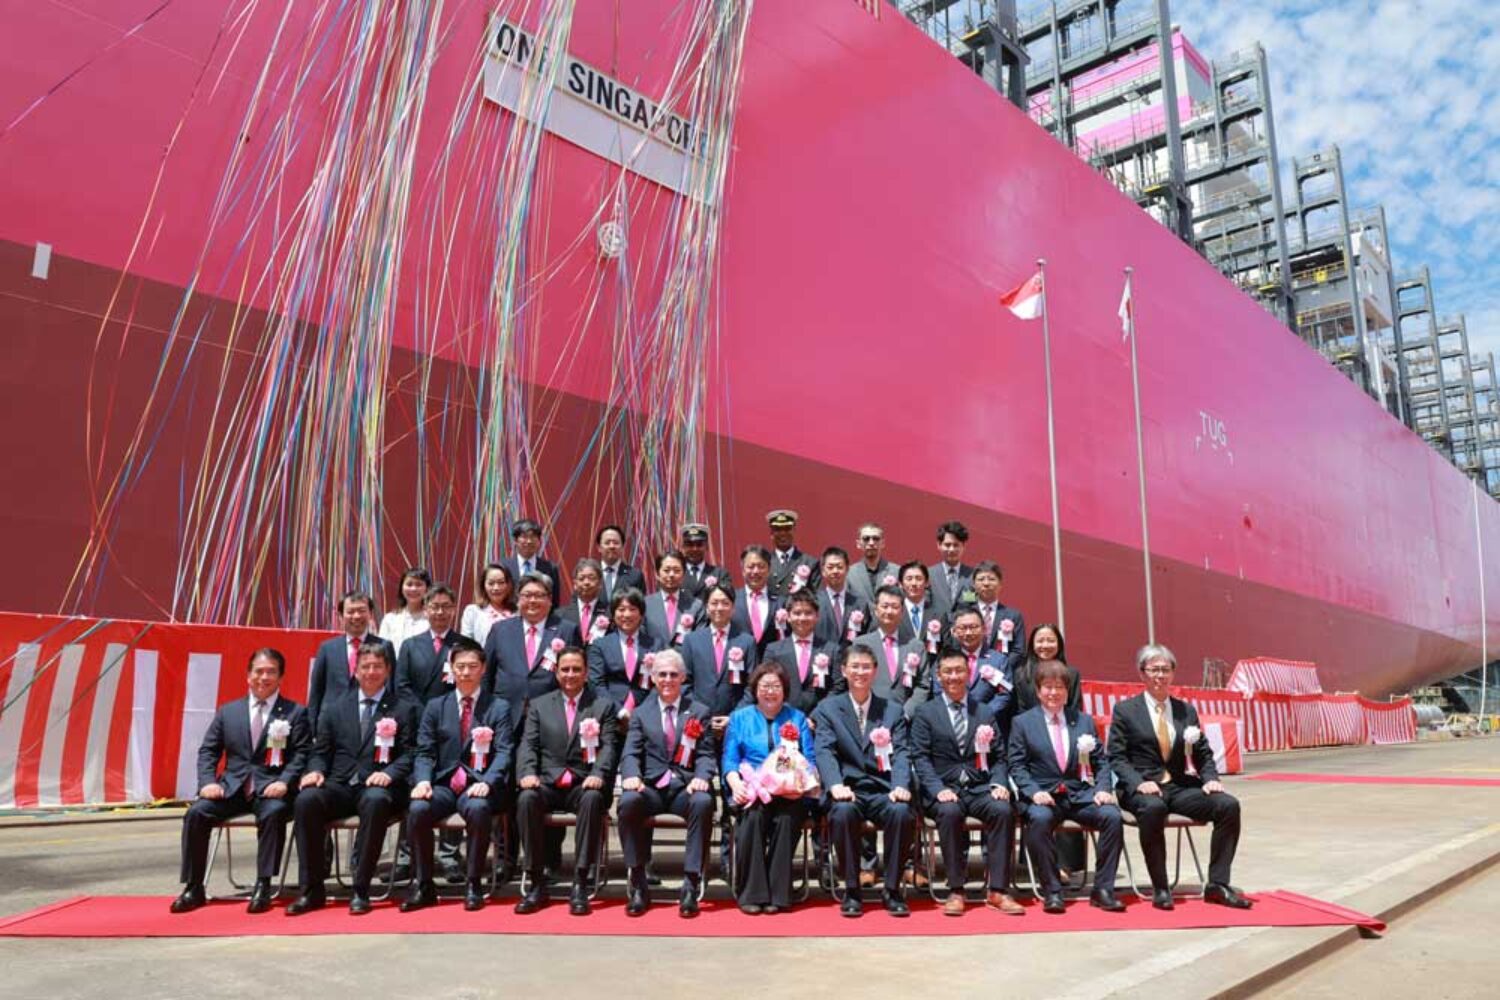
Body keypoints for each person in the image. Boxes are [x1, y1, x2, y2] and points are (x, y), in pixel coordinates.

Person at [1108, 643, 1251, 911]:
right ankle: (1161, 888)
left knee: (1228, 806)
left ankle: (1217, 884)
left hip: (1178, 786)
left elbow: (1203, 752)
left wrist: (1209, 777)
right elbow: (1116, 757)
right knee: (1153, 808)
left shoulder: (1186, 711)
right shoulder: (1125, 711)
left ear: (1173, 673)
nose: (1160, 676)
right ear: (1142, 674)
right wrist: (1139, 782)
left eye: (1165, 669)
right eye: (1154, 670)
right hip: (1140, 788)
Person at [171, 648, 309, 915]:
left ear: (280, 677)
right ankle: (193, 886)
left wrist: (285, 781)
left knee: (275, 812)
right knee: (196, 813)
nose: (263, 677)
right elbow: (208, 750)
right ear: (248, 676)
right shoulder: (228, 712)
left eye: (271, 672)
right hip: (232, 788)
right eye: (258, 671)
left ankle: (263, 884)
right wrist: (207, 782)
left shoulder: (295, 713)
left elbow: (302, 753)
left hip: (270, 788)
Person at [289, 643, 420, 915]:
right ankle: (311, 889)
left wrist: (389, 773)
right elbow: (320, 751)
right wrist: (314, 770)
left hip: (379, 785)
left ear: (387, 670)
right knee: (307, 800)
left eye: (377, 666)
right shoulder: (335, 707)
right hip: (339, 784)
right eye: (365, 667)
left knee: (375, 801)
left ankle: (361, 888)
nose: (371, 672)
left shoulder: (403, 709)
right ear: (356, 671)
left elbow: (410, 755)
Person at [401, 638, 513, 913]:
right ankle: (424, 883)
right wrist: (424, 780)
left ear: (483, 669)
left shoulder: (498, 707)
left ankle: (474, 882)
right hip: (443, 784)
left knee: (477, 808)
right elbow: (424, 751)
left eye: (472, 666)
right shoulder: (435, 706)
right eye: (460, 666)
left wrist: (488, 782)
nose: (465, 672)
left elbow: (504, 752)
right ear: (450, 668)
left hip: (478, 784)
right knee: (417, 808)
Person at [910, 646, 1023, 916]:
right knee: (949, 813)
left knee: (1003, 810)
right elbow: (920, 758)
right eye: (947, 671)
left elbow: (999, 756)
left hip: (979, 786)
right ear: (938, 676)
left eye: (959, 670)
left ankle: (997, 889)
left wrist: (998, 784)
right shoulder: (925, 713)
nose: (953, 676)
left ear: (968, 673)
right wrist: (937, 790)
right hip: (944, 789)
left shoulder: (984, 712)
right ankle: (956, 889)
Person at [1007, 661, 1126, 914]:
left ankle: (1103, 889)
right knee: (1038, 821)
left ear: (1067, 691)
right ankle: (1052, 890)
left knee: (1112, 817)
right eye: (1047, 687)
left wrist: (1103, 788)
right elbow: (1016, 766)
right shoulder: (1022, 723)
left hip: (1080, 794)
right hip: (1043, 795)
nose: (1053, 693)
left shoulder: (1083, 721)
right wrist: (1032, 791)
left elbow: (1101, 761)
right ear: (1038, 691)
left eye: (1059, 687)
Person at [513, 648, 620, 916]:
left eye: (576, 669)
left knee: (594, 800)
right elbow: (528, 745)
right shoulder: (539, 705)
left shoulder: (602, 705)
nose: (570, 675)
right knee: (526, 799)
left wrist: (598, 774)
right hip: (547, 782)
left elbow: (609, 747)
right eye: (565, 669)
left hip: (584, 783)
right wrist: (527, 773)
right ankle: (536, 881)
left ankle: (580, 882)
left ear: (585, 673)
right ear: (556, 672)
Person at [812, 645, 915, 917]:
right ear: (844, 670)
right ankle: (852, 889)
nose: (860, 672)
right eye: (854, 666)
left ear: (875, 671)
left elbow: (903, 752)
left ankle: (892, 890)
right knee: (842, 813)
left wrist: (901, 785)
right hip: (848, 789)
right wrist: (834, 784)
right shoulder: (828, 709)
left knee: (902, 813)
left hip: (884, 789)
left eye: (866, 667)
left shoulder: (891, 711)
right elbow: (824, 750)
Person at [616, 649, 718, 918]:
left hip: (684, 788)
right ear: (652, 678)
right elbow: (630, 752)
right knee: (627, 802)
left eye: (674, 674)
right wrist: (630, 775)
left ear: (683, 678)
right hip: (649, 787)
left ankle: (690, 884)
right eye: (662, 674)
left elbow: (707, 754)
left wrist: (702, 777)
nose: (668, 679)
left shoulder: (699, 711)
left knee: (704, 801)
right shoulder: (640, 713)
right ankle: (638, 881)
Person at [721, 662, 817, 914]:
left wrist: (801, 784)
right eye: (765, 686)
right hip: (752, 788)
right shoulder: (739, 718)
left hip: (789, 792)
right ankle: (752, 893)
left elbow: (809, 759)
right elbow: (730, 759)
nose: (770, 692)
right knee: (752, 819)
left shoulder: (797, 719)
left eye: (776, 686)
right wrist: (735, 783)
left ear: (784, 690)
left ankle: (779, 893)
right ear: (755, 690)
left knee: (786, 820)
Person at [681, 583, 757, 726]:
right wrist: (699, 714)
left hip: (735, 722)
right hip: (699, 722)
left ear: (733, 608)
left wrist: (734, 717)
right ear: (706, 607)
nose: (719, 608)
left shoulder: (746, 641)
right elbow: (684, 683)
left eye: (725, 603)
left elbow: (752, 685)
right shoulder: (692, 640)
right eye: (714, 603)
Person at [851, 585, 931, 719]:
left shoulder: (915, 646)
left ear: (902, 611)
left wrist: (905, 713)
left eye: (895, 607)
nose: (889, 611)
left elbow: (923, 686)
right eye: (885, 606)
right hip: (870, 717)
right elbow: (854, 680)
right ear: (876, 610)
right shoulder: (861, 644)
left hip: (905, 720)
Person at [306, 591, 381, 729]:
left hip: (369, 722)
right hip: (331, 724)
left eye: (361, 611)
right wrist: (311, 728)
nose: (356, 616)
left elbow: (391, 688)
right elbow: (316, 691)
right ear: (341, 616)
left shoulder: (384, 646)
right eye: (351, 612)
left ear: (370, 614)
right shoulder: (327, 648)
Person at [762, 590, 843, 715]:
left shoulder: (832, 650)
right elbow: (766, 685)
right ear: (788, 616)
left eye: (808, 613)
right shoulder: (773, 650)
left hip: (821, 722)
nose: (803, 618)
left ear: (817, 616)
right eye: (797, 613)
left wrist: (817, 716)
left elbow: (837, 688)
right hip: (782, 718)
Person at [586, 588, 661, 716]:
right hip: (609, 713)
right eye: (621, 610)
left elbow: (660, 682)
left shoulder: (655, 645)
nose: (627, 615)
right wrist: (619, 712)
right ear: (613, 614)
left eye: (632, 609)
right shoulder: (600, 645)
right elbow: (596, 683)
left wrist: (642, 710)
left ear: (641, 614)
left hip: (647, 712)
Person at [941, 606, 1014, 724]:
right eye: (963, 628)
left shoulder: (999, 660)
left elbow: (1004, 694)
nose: (968, 632)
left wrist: (983, 715)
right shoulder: (945, 660)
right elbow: (938, 690)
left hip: (988, 724)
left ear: (984, 629)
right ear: (953, 632)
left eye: (974, 627)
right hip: (953, 723)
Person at [395, 584, 463, 707]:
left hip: (451, 711)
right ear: (425, 610)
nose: (440, 612)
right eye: (435, 606)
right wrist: (421, 711)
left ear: (454, 610)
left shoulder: (465, 645)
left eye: (446, 606)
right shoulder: (410, 645)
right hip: (417, 715)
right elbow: (401, 685)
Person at [1012, 623, 1082, 716]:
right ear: (1032, 645)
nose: (1045, 645)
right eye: (1040, 641)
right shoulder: (1021, 674)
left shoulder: (1072, 674)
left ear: (1059, 644)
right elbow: (1020, 711)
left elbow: (1075, 709)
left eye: (1051, 641)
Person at [969, 560, 1026, 672]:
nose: (986, 583)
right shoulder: (965, 614)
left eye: (991, 579)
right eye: (981, 579)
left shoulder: (1013, 615)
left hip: (1003, 674)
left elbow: (1019, 650)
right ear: (974, 585)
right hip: (971, 673)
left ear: (1000, 584)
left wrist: (999, 667)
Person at [815, 546, 870, 648]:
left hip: (851, 659)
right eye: (830, 567)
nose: (835, 571)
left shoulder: (860, 602)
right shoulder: (814, 602)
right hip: (821, 659)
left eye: (839, 567)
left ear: (847, 569)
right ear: (823, 571)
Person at [732, 544, 781, 658]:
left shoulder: (780, 602)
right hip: (738, 666)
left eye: (761, 566)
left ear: (769, 569)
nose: (756, 571)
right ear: (743, 570)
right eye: (751, 566)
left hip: (770, 668)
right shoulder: (731, 600)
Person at [645, 549, 703, 646]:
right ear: (657, 574)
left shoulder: (696, 605)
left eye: (676, 571)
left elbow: (699, 641)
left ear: (684, 574)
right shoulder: (645, 605)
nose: (671, 575)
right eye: (666, 570)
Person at [765, 508, 820, 598]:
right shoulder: (765, 562)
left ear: (794, 530)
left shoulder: (809, 562)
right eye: (778, 529)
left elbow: (816, 597)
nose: (783, 533)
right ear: (771, 533)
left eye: (787, 529)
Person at [460, 562, 516, 647]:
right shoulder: (473, 611)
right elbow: (466, 644)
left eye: (501, 582)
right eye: (491, 583)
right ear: (483, 585)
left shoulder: (518, 612)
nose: (496, 588)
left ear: (508, 585)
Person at [927, 520, 974, 620]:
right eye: (947, 545)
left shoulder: (972, 576)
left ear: (963, 546)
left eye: (956, 545)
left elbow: (972, 603)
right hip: (935, 631)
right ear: (939, 545)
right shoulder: (928, 574)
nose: (951, 549)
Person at [378, 568, 431, 652]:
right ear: (401, 588)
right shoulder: (390, 619)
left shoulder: (432, 619)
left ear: (427, 589)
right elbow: (382, 650)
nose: (413, 589)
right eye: (409, 584)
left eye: (419, 585)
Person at [509, 518, 561, 602]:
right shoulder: (504, 567)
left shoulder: (550, 568)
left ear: (539, 541)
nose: (529, 541)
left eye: (533, 537)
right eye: (524, 537)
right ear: (515, 540)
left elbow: (554, 600)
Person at [846, 522, 898, 607]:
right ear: (858, 544)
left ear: (883, 543)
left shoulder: (896, 571)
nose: (871, 543)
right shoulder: (849, 574)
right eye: (866, 539)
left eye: (876, 538)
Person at [556, 558, 607, 642]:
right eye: (581, 578)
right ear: (575, 584)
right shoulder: (559, 615)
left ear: (600, 583)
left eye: (591, 578)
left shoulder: (610, 614)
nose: (586, 582)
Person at [678, 523, 730, 603]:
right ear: (683, 547)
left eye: (699, 545)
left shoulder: (720, 575)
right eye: (690, 545)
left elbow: (726, 601)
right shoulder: (675, 574)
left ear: (707, 547)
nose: (695, 549)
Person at [595, 523, 646, 603]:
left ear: (622, 547)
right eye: (607, 543)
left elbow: (641, 608)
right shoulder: (590, 573)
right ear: (599, 547)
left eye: (616, 543)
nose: (612, 546)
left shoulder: (635, 575)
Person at [896, 560, 942, 645]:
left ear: (927, 583)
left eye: (918, 578)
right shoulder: (895, 612)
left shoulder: (939, 614)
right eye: (909, 579)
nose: (914, 583)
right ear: (900, 584)